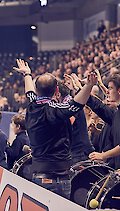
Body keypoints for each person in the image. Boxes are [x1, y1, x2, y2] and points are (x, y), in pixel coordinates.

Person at [13, 59, 96, 199]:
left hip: (38, 175)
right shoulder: (56, 111)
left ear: (37, 90)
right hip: (57, 179)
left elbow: (29, 93)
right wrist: (88, 86)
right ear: (57, 90)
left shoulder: (33, 106)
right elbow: (76, 104)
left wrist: (27, 74)